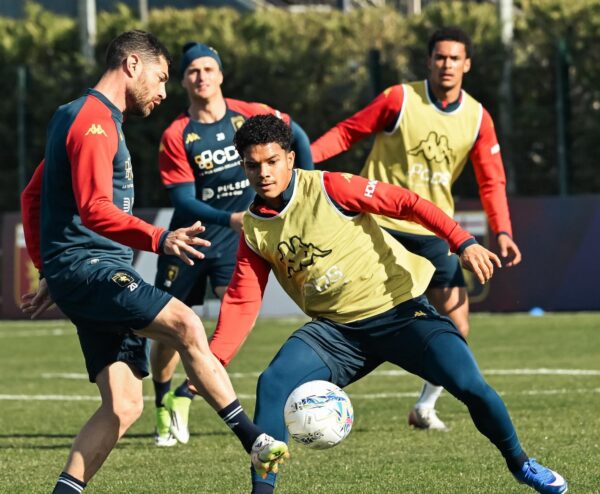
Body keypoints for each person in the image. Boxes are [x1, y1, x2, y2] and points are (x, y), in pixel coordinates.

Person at [208, 114, 567, 494]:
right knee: (273, 383)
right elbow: (242, 299)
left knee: (470, 385)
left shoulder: (331, 187)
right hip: (336, 334)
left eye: (272, 161)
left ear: (290, 158)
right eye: (253, 165)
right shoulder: (254, 229)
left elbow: (406, 203)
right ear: (243, 167)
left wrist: (462, 241)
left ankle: (521, 463)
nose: (263, 173)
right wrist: (213, 362)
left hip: (402, 314)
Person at [19, 31, 287, 493]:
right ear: (131, 64)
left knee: (124, 405)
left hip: (80, 270)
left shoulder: (78, 115)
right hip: (92, 267)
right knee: (186, 323)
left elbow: (32, 195)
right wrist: (161, 238)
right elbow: (95, 209)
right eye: (161, 77)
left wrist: (49, 268)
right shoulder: (94, 121)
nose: (164, 91)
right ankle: (254, 440)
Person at [310, 26, 523, 430]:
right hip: (378, 224)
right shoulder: (399, 99)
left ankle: (425, 407)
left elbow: (491, 180)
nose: (447, 65)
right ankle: (314, 388)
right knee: (356, 317)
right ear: (428, 61)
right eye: (440, 57)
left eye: (454, 58)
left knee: (457, 326)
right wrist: (303, 161)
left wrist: (503, 231)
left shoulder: (477, 118)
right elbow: (347, 132)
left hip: (434, 230)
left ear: (467, 65)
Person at [151, 42, 314, 447]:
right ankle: (162, 401)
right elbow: (183, 200)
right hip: (189, 240)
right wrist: (230, 218)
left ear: (221, 75)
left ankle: (186, 393)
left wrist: (305, 183)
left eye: (209, 68)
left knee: (235, 321)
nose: (202, 76)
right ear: (184, 80)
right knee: (168, 330)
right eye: (193, 70)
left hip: (235, 242)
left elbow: (297, 135)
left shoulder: (249, 114)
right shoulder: (177, 134)